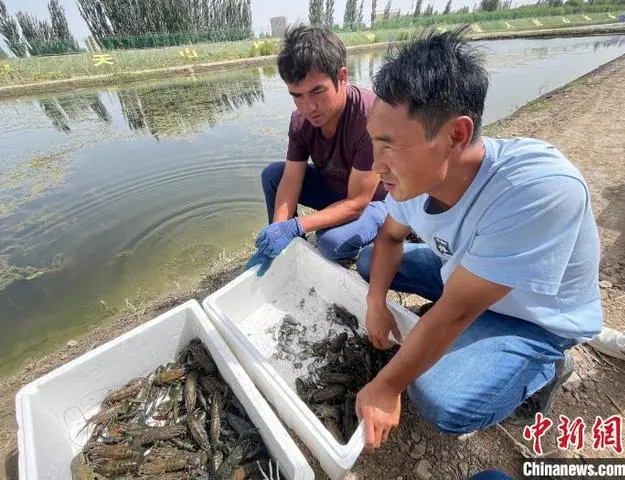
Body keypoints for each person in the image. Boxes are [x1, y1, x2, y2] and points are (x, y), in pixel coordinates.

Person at [353, 25, 603, 451]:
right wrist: (375, 303)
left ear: (455, 135)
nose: (377, 166)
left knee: (439, 400)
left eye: (390, 146)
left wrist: (386, 386)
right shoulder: (414, 180)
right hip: (468, 274)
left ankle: (547, 367)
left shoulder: (538, 189)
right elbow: (389, 240)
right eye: (373, 143)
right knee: (367, 262)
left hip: (533, 315)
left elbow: (453, 314)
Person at [245, 25, 387, 276]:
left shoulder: (369, 118)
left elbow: (357, 202)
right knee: (273, 175)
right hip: (334, 190)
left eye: (317, 91)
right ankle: (283, 248)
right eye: (296, 95)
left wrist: (298, 225)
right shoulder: (300, 121)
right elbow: (290, 181)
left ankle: (367, 239)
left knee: (329, 243)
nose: (308, 107)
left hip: (374, 201)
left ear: (341, 77)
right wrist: (280, 229)